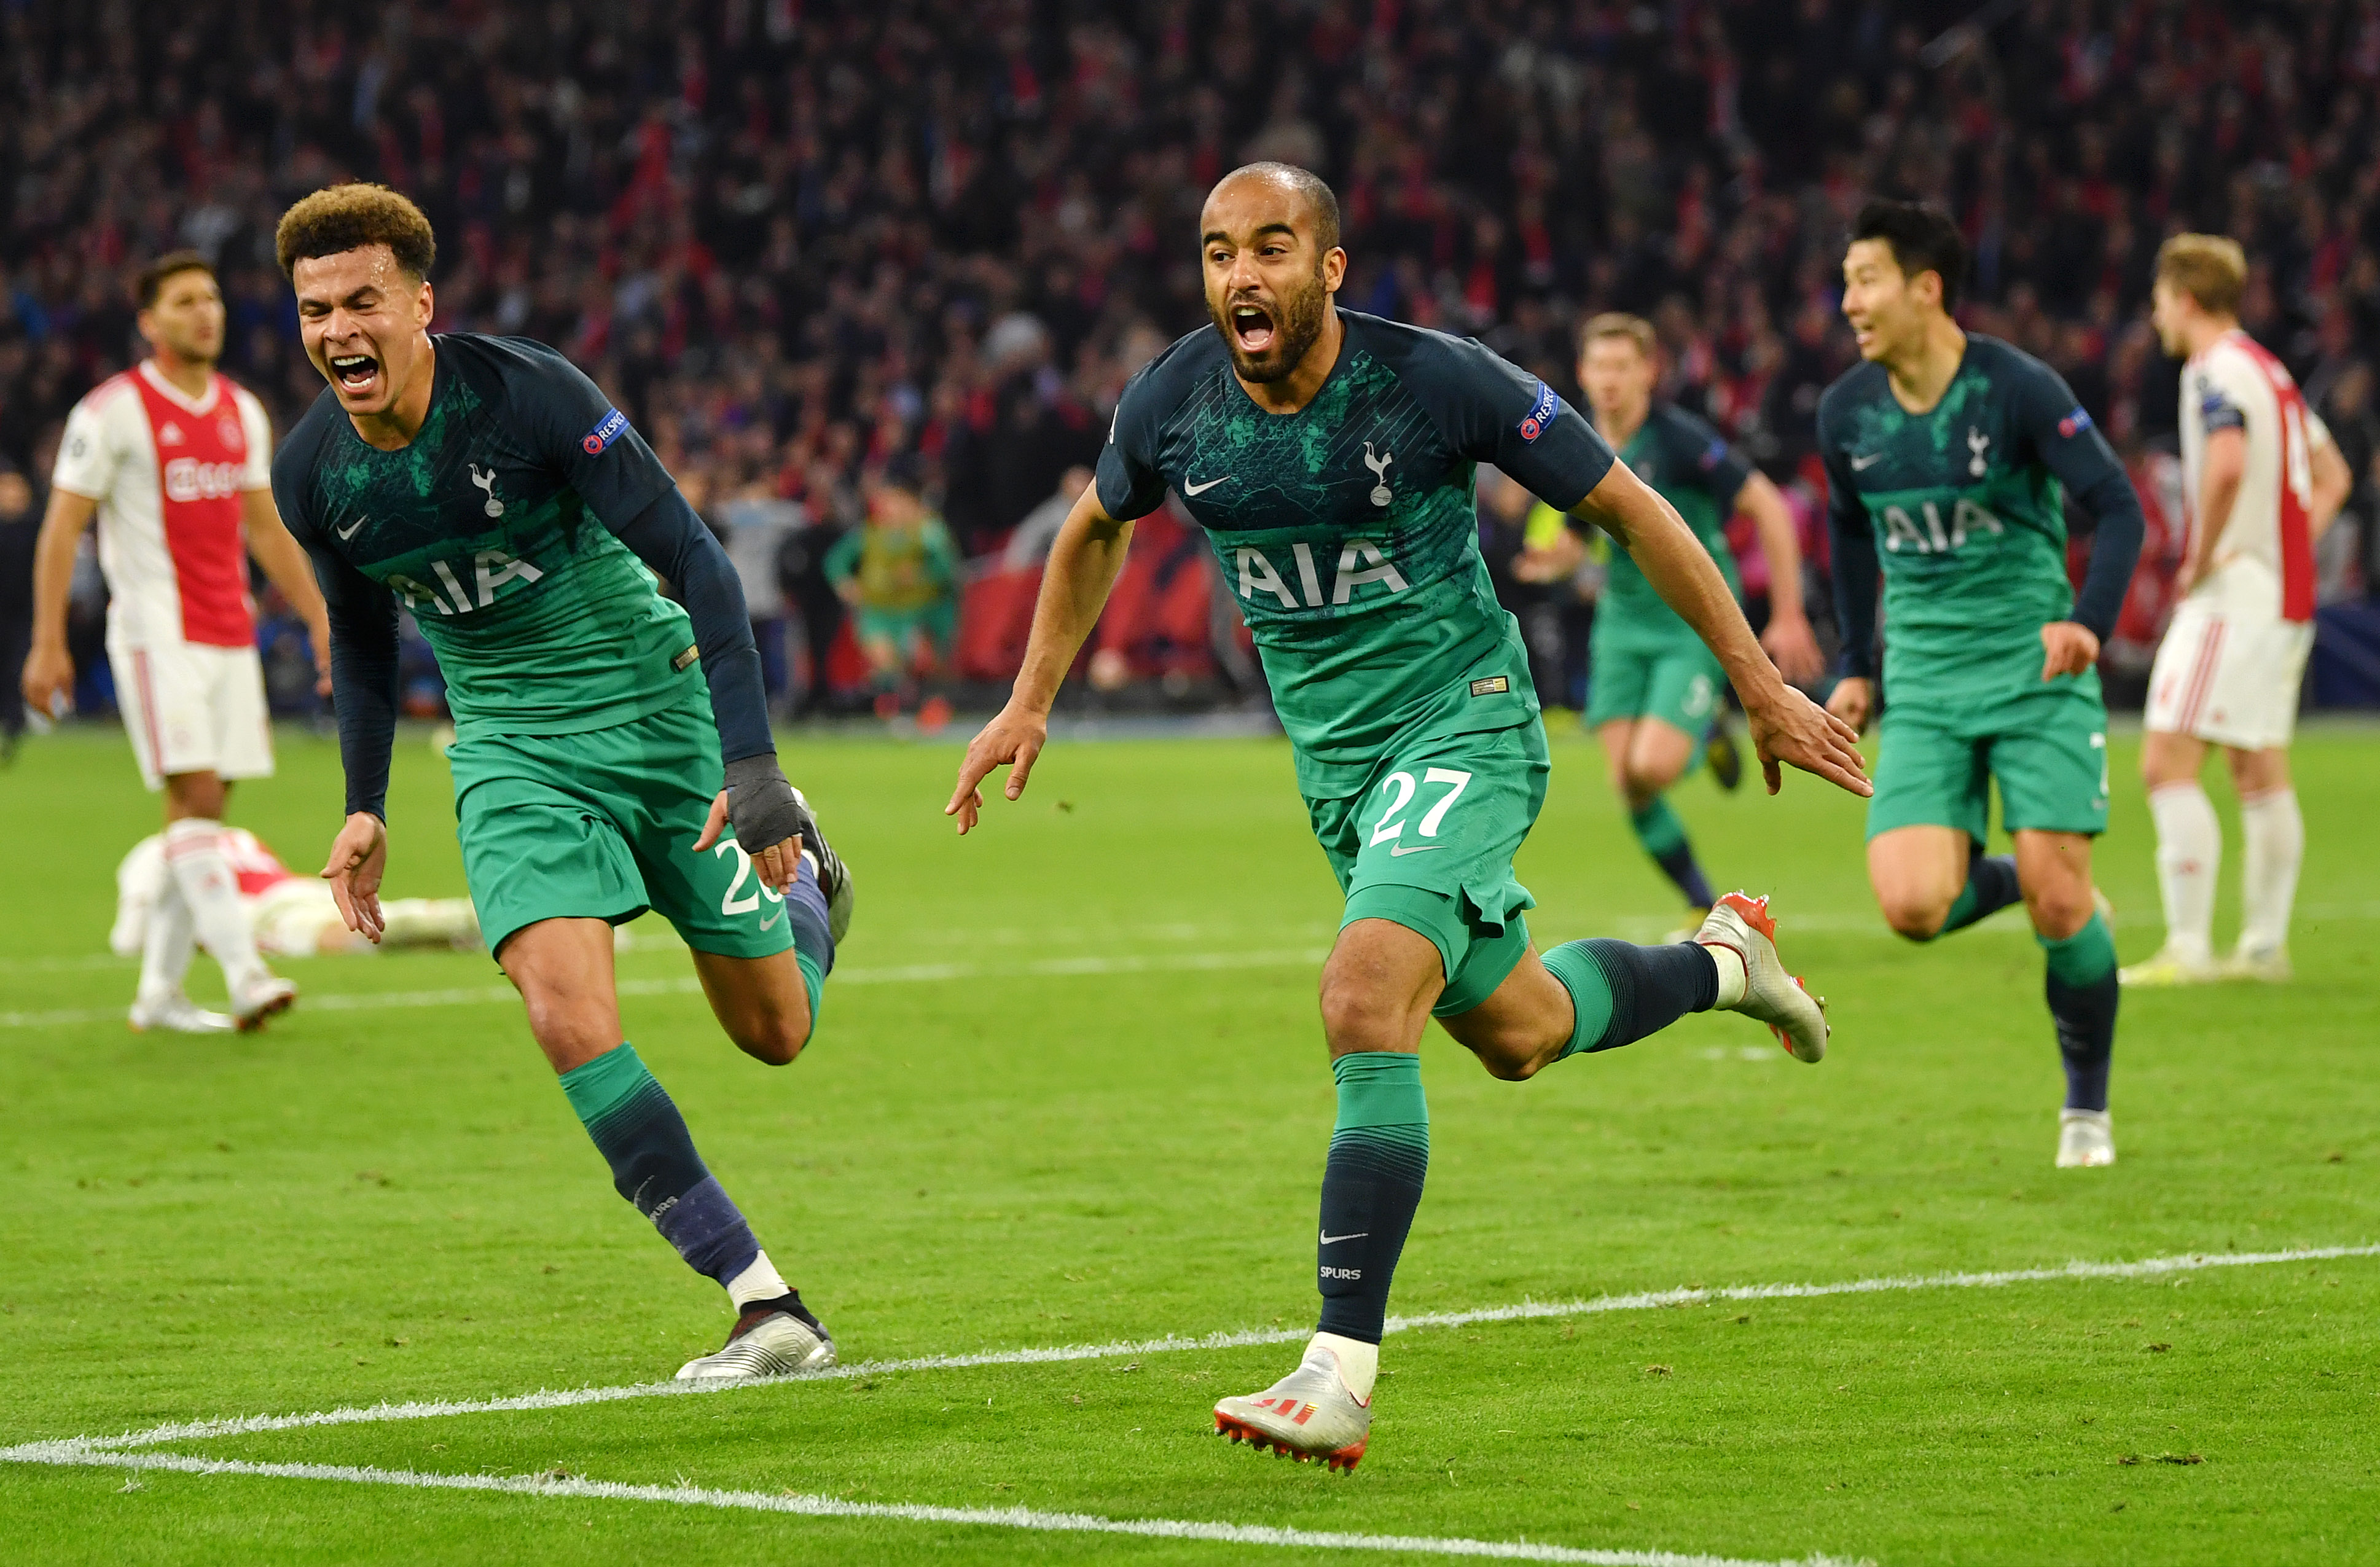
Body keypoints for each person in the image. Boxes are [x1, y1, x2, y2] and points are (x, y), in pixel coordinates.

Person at [945, 163, 1869, 1471]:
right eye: (1217, 254)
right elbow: (1096, 527)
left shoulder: (1435, 381)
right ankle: (1728, 962)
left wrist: (1758, 684)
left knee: (1359, 994)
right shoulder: (1171, 401)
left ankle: (1337, 1370)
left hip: (1467, 722)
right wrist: (1028, 699)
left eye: (1270, 249)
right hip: (1339, 776)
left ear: (1328, 268)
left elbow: (1626, 504)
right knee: (1520, 1032)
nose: (1240, 278)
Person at [268, 183, 854, 1381]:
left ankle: (812, 892)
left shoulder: (528, 399)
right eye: (315, 310)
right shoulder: (313, 472)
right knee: (562, 1013)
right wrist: (364, 803)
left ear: (419, 305)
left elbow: (696, 558)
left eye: (361, 303)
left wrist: (750, 769)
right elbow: (363, 640)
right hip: (508, 752)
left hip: (656, 713)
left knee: (775, 1033)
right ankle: (763, 1302)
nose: (338, 332)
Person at [1819, 201, 2147, 1170]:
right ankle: (2025, 876)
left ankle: (2084, 1108)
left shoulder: (2014, 388)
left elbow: (2116, 504)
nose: (1849, 303)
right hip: (1923, 683)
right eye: (1845, 282)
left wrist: (2086, 620)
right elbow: (1844, 530)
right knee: (1913, 907)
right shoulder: (1846, 411)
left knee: (2060, 911)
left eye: (1866, 279)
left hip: (2033, 674)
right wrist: (1856, 665)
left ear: (1926, 288)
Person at [20, 250, 329, 1034]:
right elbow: (63, 528)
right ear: (148, 322)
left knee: (204, 810)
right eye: (186, 301)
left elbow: (263, 527)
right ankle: (245, 972)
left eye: (214, 299)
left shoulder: (241, 411)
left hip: (230, 631)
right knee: (195, 798)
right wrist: (48, 639)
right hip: (157, 633)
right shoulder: (112, 411)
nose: (207, 313)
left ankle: (157, 993)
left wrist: (321, 619)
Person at [2123, 235, 2353, 987]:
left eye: (2159, 299)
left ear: (2183, 298)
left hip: (2231, 596)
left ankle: (2188, 947)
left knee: (2165, 762)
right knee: (2258, 770)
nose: (2155, 315)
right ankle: (2261, 947)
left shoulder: (2212, 368)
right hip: (2282, 596)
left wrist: (2203, 554)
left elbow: (2222, 465)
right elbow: (2332, 476)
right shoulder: (2272, 373)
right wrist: (2281, 543)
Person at [1564, 313, 1825, 933]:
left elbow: (1766, 502)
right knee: (1626, 782)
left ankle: (1706, 729)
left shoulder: (1679, 440)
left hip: (1690, 620)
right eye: (1599, 366)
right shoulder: (1575, 442)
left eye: (1622, 366)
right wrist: (1557, 554)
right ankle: (1697, 901)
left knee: (1650, 768)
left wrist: (1788, 613)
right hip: (1621, 625)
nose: (1609, 380)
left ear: (1649, 373)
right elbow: (1578, 530)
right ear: (1581, 372)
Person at [114, 827, 480, 979]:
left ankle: (470, 922)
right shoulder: (232, 834)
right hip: (296, 887)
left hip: (260, 913)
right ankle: (472, 923)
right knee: (382, 915)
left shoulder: (154, 852)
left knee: (348, 935)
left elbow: (128, 940)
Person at [826, 455, 960, 718]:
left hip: (918, 612)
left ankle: (923, 707)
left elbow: (949, 570)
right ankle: (893, 710)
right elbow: (835, 561)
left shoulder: (928, 532)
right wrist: (845, 584)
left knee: (920, 660)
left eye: (896, 501)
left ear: (910, 502)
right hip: (878, 611)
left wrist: (922, 575)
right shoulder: (870, 533)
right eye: (885, 501)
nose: (889, 508)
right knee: (883, 661)